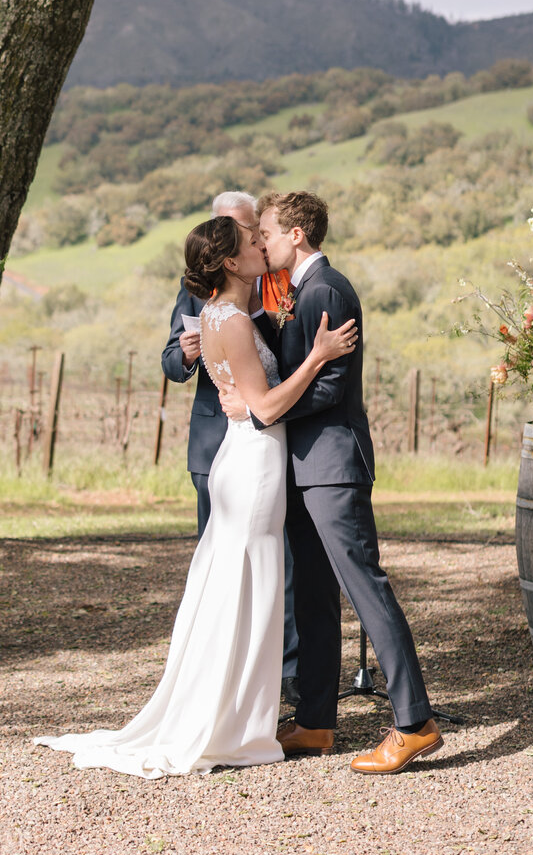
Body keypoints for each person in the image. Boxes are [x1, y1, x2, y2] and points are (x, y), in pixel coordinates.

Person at [33, 214, 357, 779]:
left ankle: (239, 714)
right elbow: (265, 407)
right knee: (247, 583)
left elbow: (251, 401)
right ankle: (231, 722)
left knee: (245, 582)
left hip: (248, 457)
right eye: (252, 243)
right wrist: (318, 354)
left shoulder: (222, 313)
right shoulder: (228, 320)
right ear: (230, 262)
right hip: (253, 464)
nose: (262, 244)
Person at [222, 191, 443, 775]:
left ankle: (414, 723)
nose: (261, 241)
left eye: (266, 231)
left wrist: (261, 409)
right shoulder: (300, 292)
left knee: (365, 588)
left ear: (296, 233)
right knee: (313, 597)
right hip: (303, 466)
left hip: (332, 465)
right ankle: (317, 721)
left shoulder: (325, 289)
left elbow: (328, 389)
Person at [161, 190, 300, 704]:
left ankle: (279, 677)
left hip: (261, 438)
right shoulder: (210, 302)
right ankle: (229, 688)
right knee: (223, 569)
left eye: (249, 231)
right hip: (222, 445)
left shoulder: (274, 283)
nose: (256, 244)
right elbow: (170, 362)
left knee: (272, 567)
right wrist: (187, 353)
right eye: (246, 238)